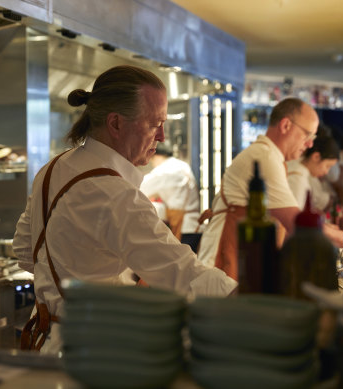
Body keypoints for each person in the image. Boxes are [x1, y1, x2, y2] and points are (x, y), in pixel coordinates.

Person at [13, 65, 237, 354]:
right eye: (155, 124)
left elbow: (24, 250)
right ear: (116, 123)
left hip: (46, 343)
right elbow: (186, 275)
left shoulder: (53, 168)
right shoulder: (115, 194)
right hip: (98, 351)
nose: (163, 137)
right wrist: (250, 303)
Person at [197, 97, 343, 280]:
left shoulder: (270, 156)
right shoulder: (265, 157)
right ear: (285, 126)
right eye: (308, 135)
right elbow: (295, 222)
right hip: (225, 260)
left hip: (239, 257)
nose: (309, 144)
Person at [140, 142, 200, 240]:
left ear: (156, 156)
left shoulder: (163, 171)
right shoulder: (183, 165)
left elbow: (139, 190)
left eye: (151, 160)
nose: (152, 163)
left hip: (184, 227)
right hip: (196, 225)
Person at [286, 132, 340, 213]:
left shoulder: (302, 172)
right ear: (316, 157)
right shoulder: (297, 177)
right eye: (327, 166)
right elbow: (295, 216)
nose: (326, 172)